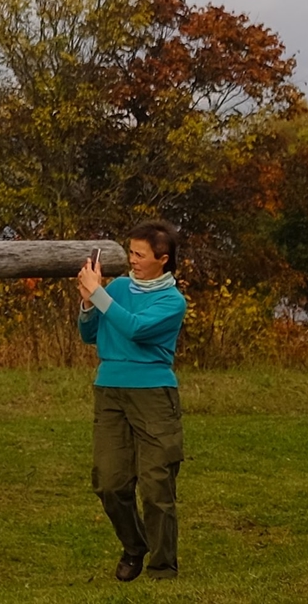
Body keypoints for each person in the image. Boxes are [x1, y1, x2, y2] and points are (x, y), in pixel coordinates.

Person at [76, 220, 188, 581]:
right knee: (109, 483)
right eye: (131, 252)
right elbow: (90, 334)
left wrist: (99, 294)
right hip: (110, 390)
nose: (132, 260)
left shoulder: (172, 302)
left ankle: (163, 567)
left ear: (163, 259)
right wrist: (88, 302)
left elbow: (135, 328)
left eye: (140, 254)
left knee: (156, 485)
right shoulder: (120, 287)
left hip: (153, 394)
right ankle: (135, 545)